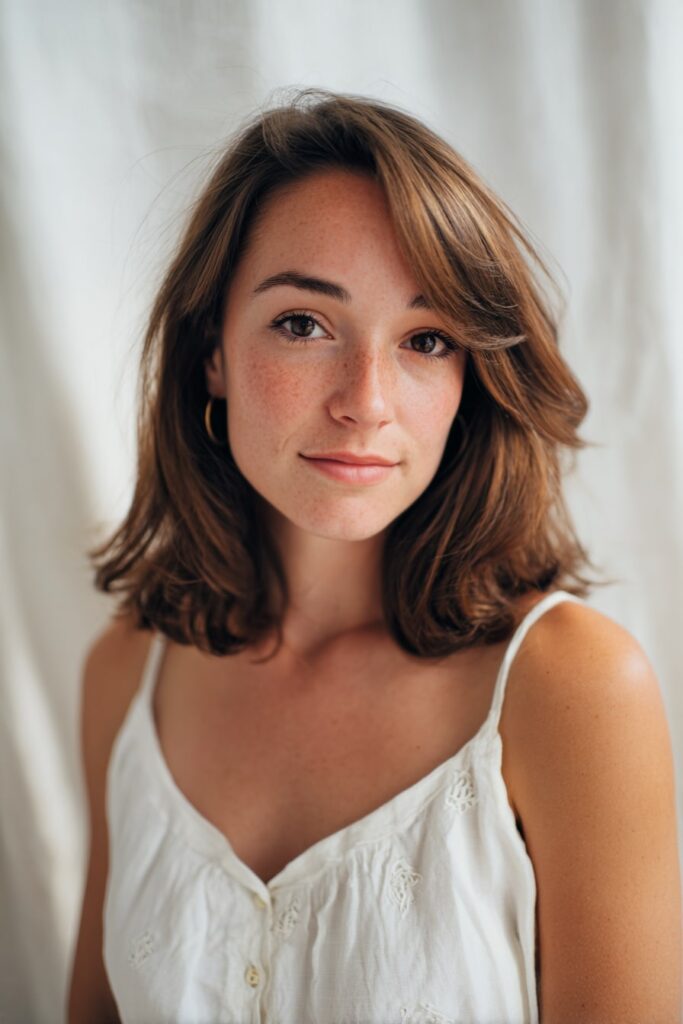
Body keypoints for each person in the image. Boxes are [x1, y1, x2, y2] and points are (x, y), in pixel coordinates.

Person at [67, 88, 681, 1024]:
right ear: (210, 353)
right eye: (303, 324)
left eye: (425, 340)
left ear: (469, 378)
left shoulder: (569, 689)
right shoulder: (128, 673)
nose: (366, 401)